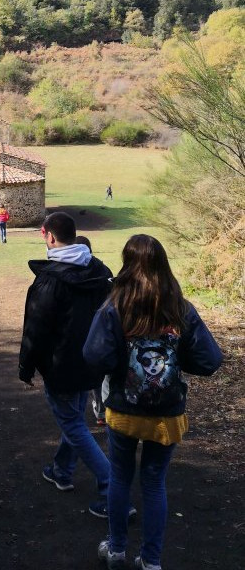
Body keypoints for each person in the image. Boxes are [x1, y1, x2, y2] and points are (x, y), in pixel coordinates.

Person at [84, 234, 222, 570]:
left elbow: (93, 355)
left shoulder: (115, 307)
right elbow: (210, 360)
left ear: (126, 263)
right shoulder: (180, 309)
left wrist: (121, 362)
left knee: (119, 477)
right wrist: (174, 356)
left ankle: (116, 550)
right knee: (154, 481)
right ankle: (151, 560)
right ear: (164, 264)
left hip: (124, 411)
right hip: (166, 415)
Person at [18, 211, 117, 518]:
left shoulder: (50, 280)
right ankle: (62, 470)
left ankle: (111, 487)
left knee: (73, 423)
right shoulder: (101, 272)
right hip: (92, 362)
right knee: (73, 418)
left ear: (49, 236)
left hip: (62, 367)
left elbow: (36, 328)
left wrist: (26, 367)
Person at [74, 235, 106, 427]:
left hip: (80, 332)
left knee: (81, 373)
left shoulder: (68, 273)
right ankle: (101, 412)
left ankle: (80, 413)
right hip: (99, 331)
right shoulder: (103, 270)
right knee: (97, 374)